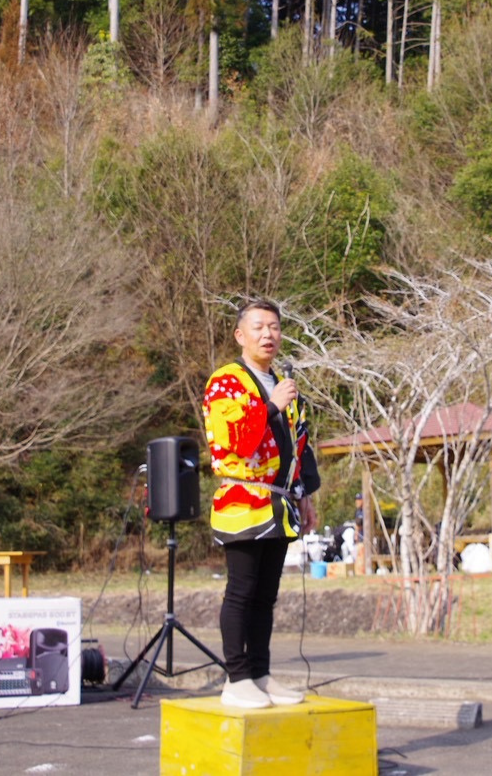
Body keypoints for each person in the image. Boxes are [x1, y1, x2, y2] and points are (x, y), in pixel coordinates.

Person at [202, 299, 320, 709]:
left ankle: (261, 673)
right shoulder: (227, 381)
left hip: (280, 500)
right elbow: (235, 440)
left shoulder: (286, 388)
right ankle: (236, 678)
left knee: (267, 595)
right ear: (240, 335)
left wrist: (304, 495)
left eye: (274, 327)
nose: (268, 334)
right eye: (258, 327)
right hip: (242, 496)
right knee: (241, 591)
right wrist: (272, 406)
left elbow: (299, 447)